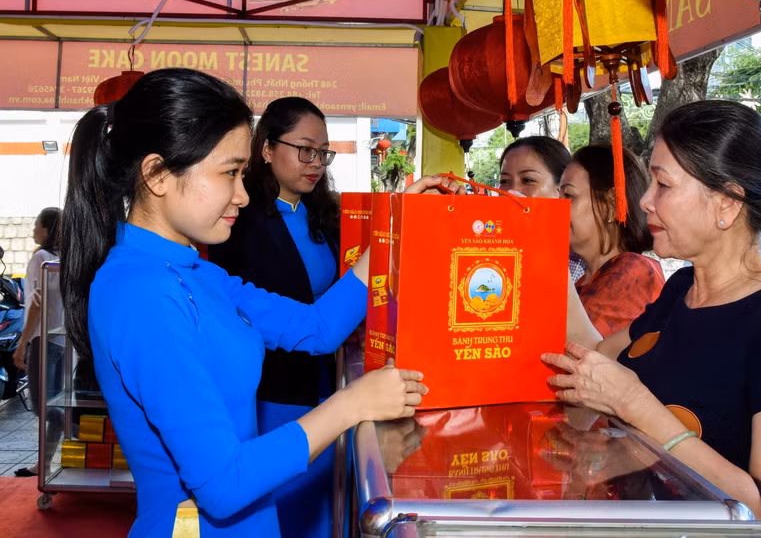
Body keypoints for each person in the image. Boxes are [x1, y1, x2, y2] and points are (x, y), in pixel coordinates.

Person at [60, 68, 461, 537]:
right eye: (230, 173)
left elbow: (317, 328)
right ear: (157, 174)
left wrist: (398, 227)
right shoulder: (140, 294)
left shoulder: (191, 270)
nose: (243, 194)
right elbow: (222, 483)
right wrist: (351, 405)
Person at [548, 100, 761, 520]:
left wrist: (638, 408)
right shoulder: (681, 289)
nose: (645, 202)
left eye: (663, 185)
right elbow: (592, 357)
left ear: (727, 204)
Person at [207, 97, 341, 538]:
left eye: (323, 152)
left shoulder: (327, 217)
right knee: (280, 498)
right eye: (305, 149)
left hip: (326, 377)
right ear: (266, 149)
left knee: (322, 497)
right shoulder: (237, 222)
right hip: (273, 387)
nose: (315, 162)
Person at [560, 145, 663, 338]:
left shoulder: (634, 272)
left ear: (611, 206)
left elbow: (577, 352)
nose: (557, 207)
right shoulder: (587, 279)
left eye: (568, 196)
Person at [12, 207, 63, 478]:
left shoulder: (40, 258)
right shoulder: (64, 259)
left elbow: (35, 304)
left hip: (42, 339)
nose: (33, 229)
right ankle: (43, 464)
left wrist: (22, 344)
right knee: (53, 402)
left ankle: (71, 429)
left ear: (46, 229)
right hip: (62, 343)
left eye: (36, 225)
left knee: (41, 406)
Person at [498, 136, 585, 281]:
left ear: (562, 190)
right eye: (504, 181)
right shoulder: (489, 246)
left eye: (528, 180)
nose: (511, 192)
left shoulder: (581, 262)